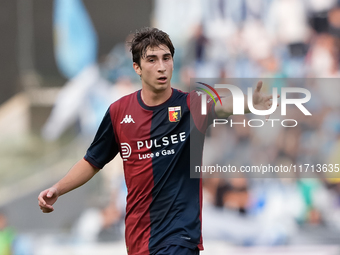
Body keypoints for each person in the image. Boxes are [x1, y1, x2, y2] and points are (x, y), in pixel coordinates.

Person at [38, 27, 274, 255]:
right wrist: (58, 188)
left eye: (166, 58)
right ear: (137, 68)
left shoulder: (190, 105)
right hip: (139, 238)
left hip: (180, 237)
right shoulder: (119, 112)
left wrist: (248, 103)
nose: (162, 67)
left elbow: (223, 106)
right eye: (152, 60)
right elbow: (92, 161)